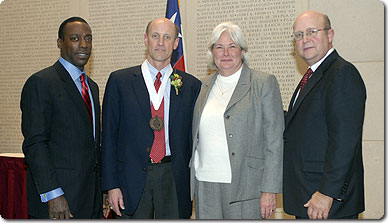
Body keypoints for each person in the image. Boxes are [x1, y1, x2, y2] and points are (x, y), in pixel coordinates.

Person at [101, 17, 201, 219]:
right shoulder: (120, 81)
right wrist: (111, 186)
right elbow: (109, 137)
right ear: (145, 39)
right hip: (132, 178)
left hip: (174, 177)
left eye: (167, 37)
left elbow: (195, 139)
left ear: (175, 43)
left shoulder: (191, 86)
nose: (161, 42)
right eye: (155, 36)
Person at [190, 22, 284, 219]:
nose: (225, 52)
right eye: (219, 47)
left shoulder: (262, 83)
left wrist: (269, 190)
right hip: (205, 184)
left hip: (246, 187)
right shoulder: (205, 87)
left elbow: (274, 141)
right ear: (212, 53)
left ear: (242, 51)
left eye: (232, 46)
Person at [283, 11, 366, 219]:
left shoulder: (341, 73)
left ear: (330, 35)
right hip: (308, 195)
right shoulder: (312, 75)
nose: (305, 39)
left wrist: (327, 193)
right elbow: (303, 125)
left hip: (326, 202)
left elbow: (345, 141)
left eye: (312, 31)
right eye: (299, 35)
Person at [20, 17, 102, 219]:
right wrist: (53, 194)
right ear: (60, 43)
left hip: (90, 199)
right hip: (59, 202)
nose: (83, 44)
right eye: (75, 38)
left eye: (88, 38)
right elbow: (35, 144)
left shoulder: (92, 87)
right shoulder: (41, 83)